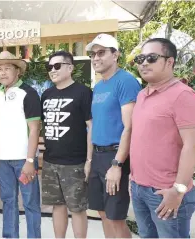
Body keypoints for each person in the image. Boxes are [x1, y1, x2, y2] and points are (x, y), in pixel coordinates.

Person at [130, 38, 195, 238]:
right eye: (141, 58)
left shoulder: (183, 96)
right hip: (139, 188)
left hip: (167, 193)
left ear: (169, 62)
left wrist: (178, 190)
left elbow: (192, 145)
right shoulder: (143, 94)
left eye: (152, 58)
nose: (144, 63)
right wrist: (134, 180)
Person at [85, 33, 141, 238]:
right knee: (102, 213)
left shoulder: (126, 81)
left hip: (115, 156)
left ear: (115, 55)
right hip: (98, 156)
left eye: (101, 52)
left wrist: (117, 165)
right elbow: (96, 125)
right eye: (93, 54)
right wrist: (90, 160)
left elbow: (130, 127)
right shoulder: (99, 86)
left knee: (116, 217)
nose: (95, 58)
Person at [0, 51, 42, 238]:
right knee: (8, 201)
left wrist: (30, 160)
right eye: (0, 69)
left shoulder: (28, 93)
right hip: (3, 160)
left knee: (30, 203)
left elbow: (34, 129)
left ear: (18, 71)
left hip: (23, 160)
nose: (2, 73)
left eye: (7, 68)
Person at [40, 51, 92, 238]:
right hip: (50, 161)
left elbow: (90, 127)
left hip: (75, 163)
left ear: (70, 68)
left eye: (57, 66)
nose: (52, 70)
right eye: (49, 67)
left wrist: (89, 159)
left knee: (77, 208)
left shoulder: (83, 92)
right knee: (57, 205)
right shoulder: (46, 94)